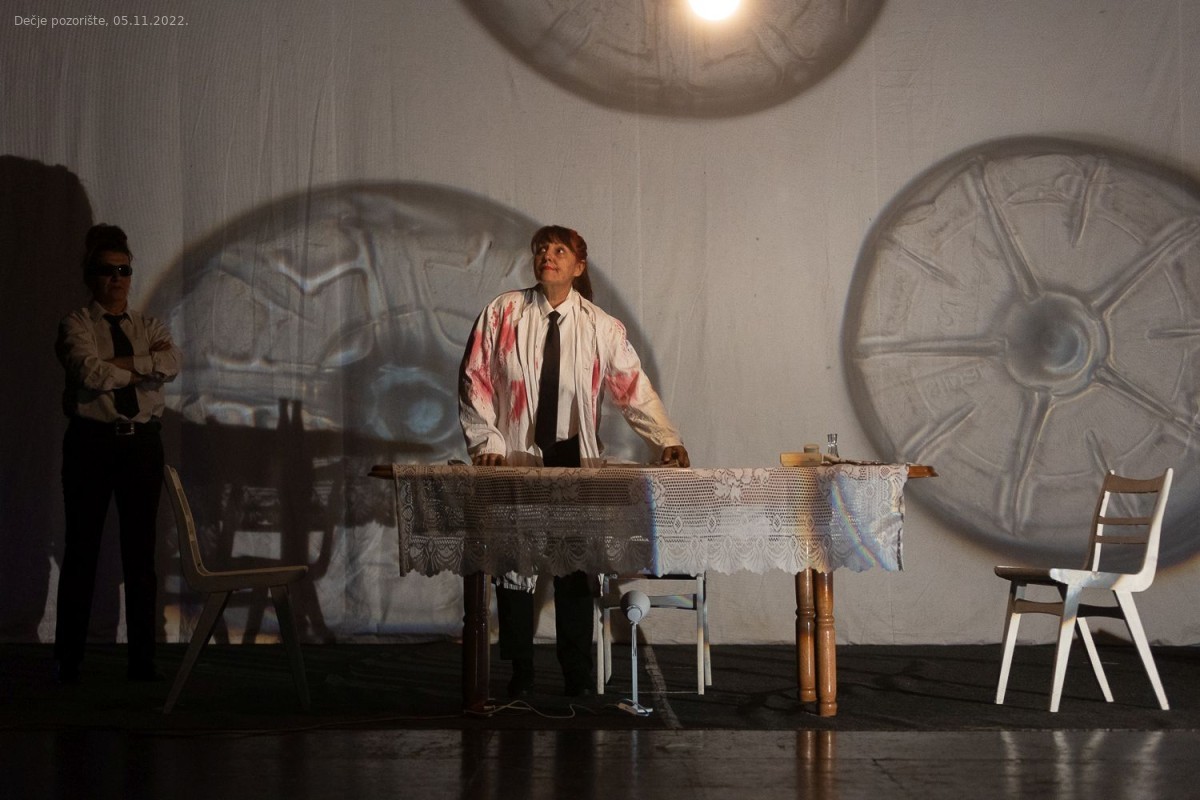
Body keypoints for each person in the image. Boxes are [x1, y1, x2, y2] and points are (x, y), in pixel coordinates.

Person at [459, 224, 689, 697]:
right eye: (542, 249)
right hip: (516, 455)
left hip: (573, 457)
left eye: (560, 250)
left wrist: (666, 438)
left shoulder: (600, 327)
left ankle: (576, 674)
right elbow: (474, 379)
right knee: (515, 563)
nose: (548, 255)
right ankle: (520, 671)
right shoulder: (503, 313)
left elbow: (633, 390)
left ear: (579, 266)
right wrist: (487, 444)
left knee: (575, 566)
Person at [53, 224, 182, 684]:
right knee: (81, 551)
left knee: (141, 556)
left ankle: (142, 661)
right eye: (108, 271)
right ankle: (69, 661)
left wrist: (123, 366)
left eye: (124, 270)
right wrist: (145, 368)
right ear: (92, 275)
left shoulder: (148, 326)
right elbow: (90, 373)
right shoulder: (76, 324)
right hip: (91, 444)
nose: (117, 279)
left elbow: (172, 362)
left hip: (141, 445)